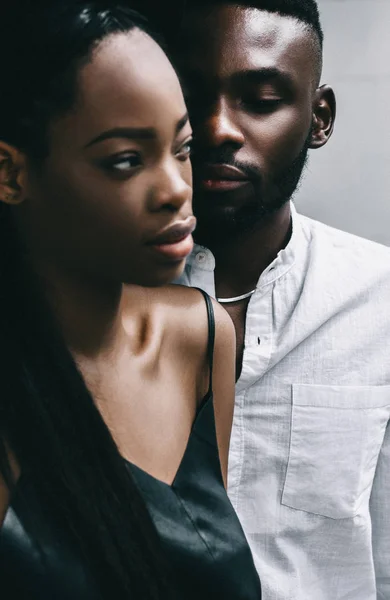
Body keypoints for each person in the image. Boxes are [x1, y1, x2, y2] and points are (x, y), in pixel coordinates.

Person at [0, 2, 262, 599]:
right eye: (125, 160)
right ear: (11, 174)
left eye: (183, 147)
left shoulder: (202, 335)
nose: (176, 190)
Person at [169, 1, 390, 598]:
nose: (217, 128)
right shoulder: (81, 297)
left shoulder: (383, 305)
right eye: (190, 94)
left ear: (318, 118)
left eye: (261, 100)